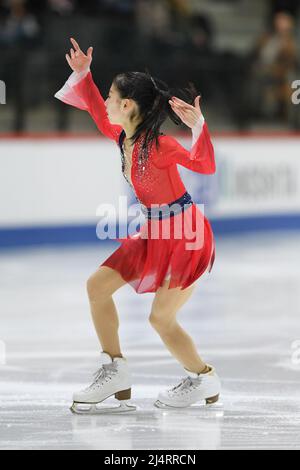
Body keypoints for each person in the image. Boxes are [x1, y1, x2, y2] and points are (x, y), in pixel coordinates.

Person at [55, 38, 221, 414]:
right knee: (97, 287)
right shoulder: (121, 136)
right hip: (153, 232)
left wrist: (199, 127)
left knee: (160, 318)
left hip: (185, 236)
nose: (108, 102)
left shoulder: (161, 146)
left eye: (113, 97)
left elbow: (205, 166)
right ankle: (115, 369)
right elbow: (95, 106)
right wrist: (84, 73)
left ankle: (204, 377)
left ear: (128, 106)